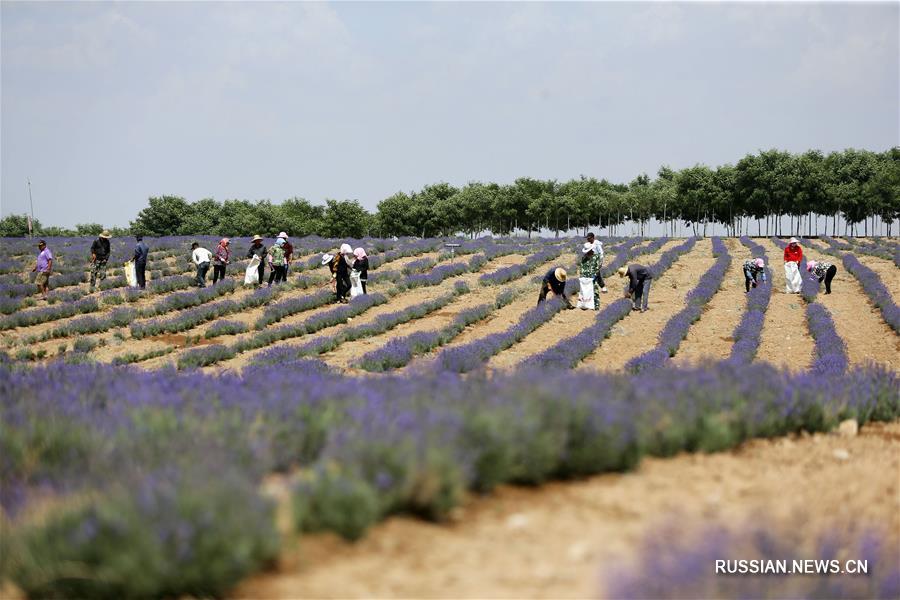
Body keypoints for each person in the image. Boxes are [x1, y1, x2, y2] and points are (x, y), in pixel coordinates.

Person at [577, 243, 601, 310]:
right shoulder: (584, 257)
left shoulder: (596, 257)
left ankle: (596, 306)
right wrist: (581, 276)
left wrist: (594, 275)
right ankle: (585, 305)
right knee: (584, 291)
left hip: (593, 277)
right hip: (585, 277)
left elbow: (597, 268)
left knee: (595, 291)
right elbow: (581, 267)